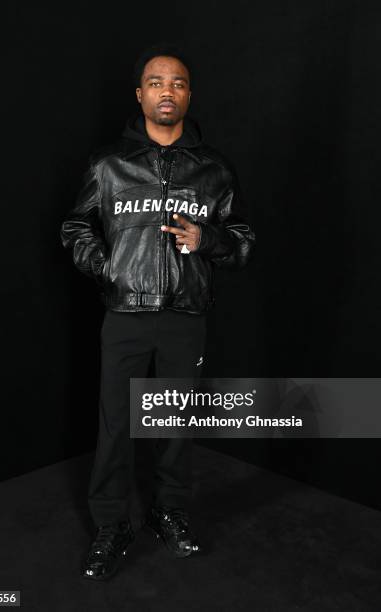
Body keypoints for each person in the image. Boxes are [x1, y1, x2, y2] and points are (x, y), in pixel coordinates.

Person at [60, 42, 256, 580]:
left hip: (184, 316)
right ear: (140, 94)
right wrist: (109, 267)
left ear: (188, 95)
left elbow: (241, 241)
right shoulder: (110, 165)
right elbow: (75, 226)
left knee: (173, 423)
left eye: (177, 83)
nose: (166, 91)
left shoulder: (214, 168)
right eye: (155, 82)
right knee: (116, 423)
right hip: (124, 313)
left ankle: (168, 512)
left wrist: (208, 238)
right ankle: (110, 524)